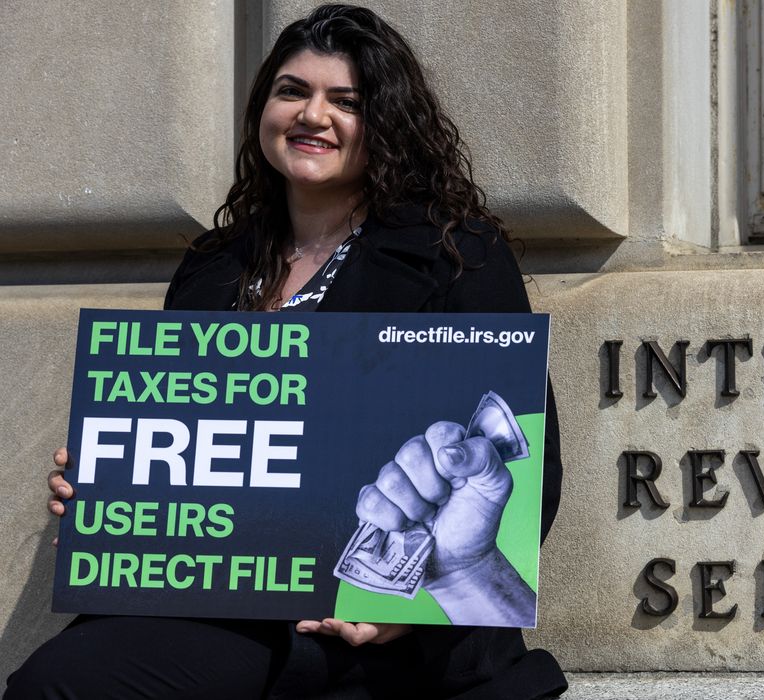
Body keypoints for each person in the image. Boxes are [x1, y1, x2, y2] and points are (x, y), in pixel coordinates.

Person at [7, 5, 566, 698]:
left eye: (346, 102)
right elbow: (189, 428)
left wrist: (407, 610)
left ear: (385, 124)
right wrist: (112, 485)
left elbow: (525, 462)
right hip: (219, 600)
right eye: (292, 91)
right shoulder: (214, 265)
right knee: (59, 680)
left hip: (364, 628)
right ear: (263, 109)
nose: (312, 115)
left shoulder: (457, 254)